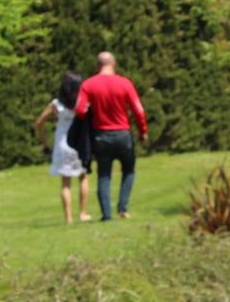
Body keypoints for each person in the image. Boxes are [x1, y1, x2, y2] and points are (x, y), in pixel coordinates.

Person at [76, 51, 148, 221]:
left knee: (104, 175)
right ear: (114, 64)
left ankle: (106, 215)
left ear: (97, 65)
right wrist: (142, 131)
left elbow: (80, 109)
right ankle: (123, 208)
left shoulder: (88, 85)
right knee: (129, 170)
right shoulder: (125, 83)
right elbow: (139, 110)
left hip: (101, 135)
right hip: (123, 134)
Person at [33, 70, 92, 224]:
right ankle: (83, 213)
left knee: (65, 183)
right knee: (83, 177)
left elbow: (39, 122)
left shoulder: (56, 104)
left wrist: (44, 141)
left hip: (62, 145)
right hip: (80, 144)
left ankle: (68, 218)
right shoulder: (84, 102)